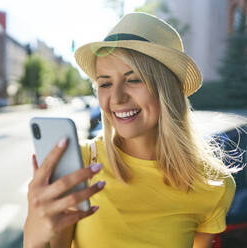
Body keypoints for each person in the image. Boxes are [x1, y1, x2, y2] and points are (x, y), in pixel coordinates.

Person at [23, 12, 239, 248]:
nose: (116, 98)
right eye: (105, 83)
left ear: (168, 90)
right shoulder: (80, 165)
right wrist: (35, 237)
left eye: (133, 79)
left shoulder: (213, 183)